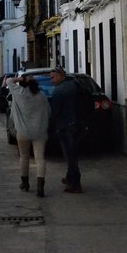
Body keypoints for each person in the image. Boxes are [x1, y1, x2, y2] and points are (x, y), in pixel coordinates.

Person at [7, 74, 50, 197]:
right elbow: (49, 112)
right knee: (40, 158)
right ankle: (40, 186)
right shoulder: (41, 96)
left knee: (24, 157)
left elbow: (9, 80)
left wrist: (21, 78)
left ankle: (25, 183)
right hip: (39, 132)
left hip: (23, 132)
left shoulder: (19, 93)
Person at [50, 65, 83, 193]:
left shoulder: (59, 91)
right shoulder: (75, 84)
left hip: (66, 126)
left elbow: (55, 112)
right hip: (79, 124)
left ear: (60, 76)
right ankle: (70, 178)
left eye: (53, 77)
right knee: (73, 153)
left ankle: (75, 183)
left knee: (70, 156)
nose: (51, 81)